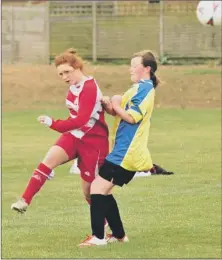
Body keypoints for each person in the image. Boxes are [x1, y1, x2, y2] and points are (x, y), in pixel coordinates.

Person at [11, 48, 109, 213]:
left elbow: (81, 120)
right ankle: (24, 201)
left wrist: (53, 123)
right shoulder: (74, 87)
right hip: (74, 136)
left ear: (77, 67)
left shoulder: (90, 87)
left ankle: (108, 225)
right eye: (61, 74)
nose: (64, 77)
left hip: (93, 142)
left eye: (67, 72)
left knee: (89, 191)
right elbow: (75, 119)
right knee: (48, 160)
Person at [78, 50, 160, 247]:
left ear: (147, 68)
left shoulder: (145, 89)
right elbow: (120, 113)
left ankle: (98, 237)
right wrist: (109, 104)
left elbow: (132, 117)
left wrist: (115, 102)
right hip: (123, 151)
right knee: (103, 191)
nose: (130, 68)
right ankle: (119, 235)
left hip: (127, 153)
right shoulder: (136, 88)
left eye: (134, 65)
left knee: (97, 188)